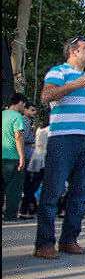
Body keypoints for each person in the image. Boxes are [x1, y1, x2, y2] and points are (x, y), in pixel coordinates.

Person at [35, 35, 85, 259]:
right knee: (52, 190)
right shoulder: (58, 72)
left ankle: (69, 239)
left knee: (82, 192)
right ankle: (44, 243)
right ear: (73, 51)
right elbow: (46, 95)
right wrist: (73, 85)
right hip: (62, 139)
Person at [2, 93, 28, 222]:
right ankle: (10, 215)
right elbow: (18, 136)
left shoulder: (2, 113)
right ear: (19, 103)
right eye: (24, 105)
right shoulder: (17, 117)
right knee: (13, 188)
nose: (24, 108)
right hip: (12, 157)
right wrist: (22, 157)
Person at [18, 102, 38, 218]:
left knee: (29, 184)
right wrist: (34, 139)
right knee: (28, 184)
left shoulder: (26, 121)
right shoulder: (24, 121)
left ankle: (30, 207)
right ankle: (26, 208)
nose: (34, 113)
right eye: (32, 110)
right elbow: (24, 137)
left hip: (26, 155)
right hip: (25, 156)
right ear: (25, 110)